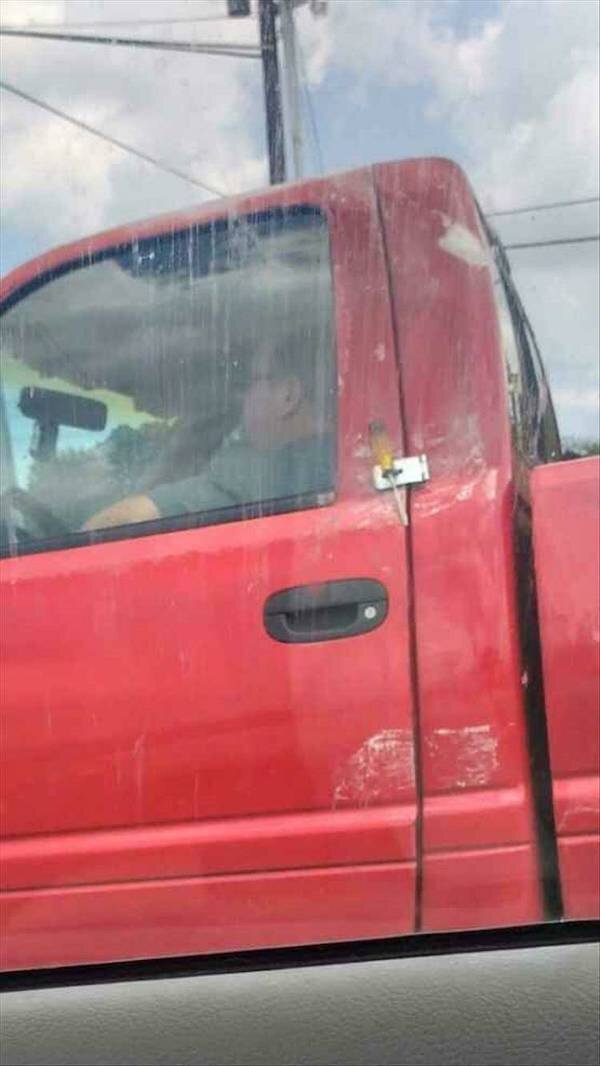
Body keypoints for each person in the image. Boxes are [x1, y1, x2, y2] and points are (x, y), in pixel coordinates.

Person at [82, 343, 333, 531]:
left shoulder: (271, 474)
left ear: (288, 395)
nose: (242, 399)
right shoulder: (331, 464)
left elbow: (127, 519)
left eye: (248, 383)